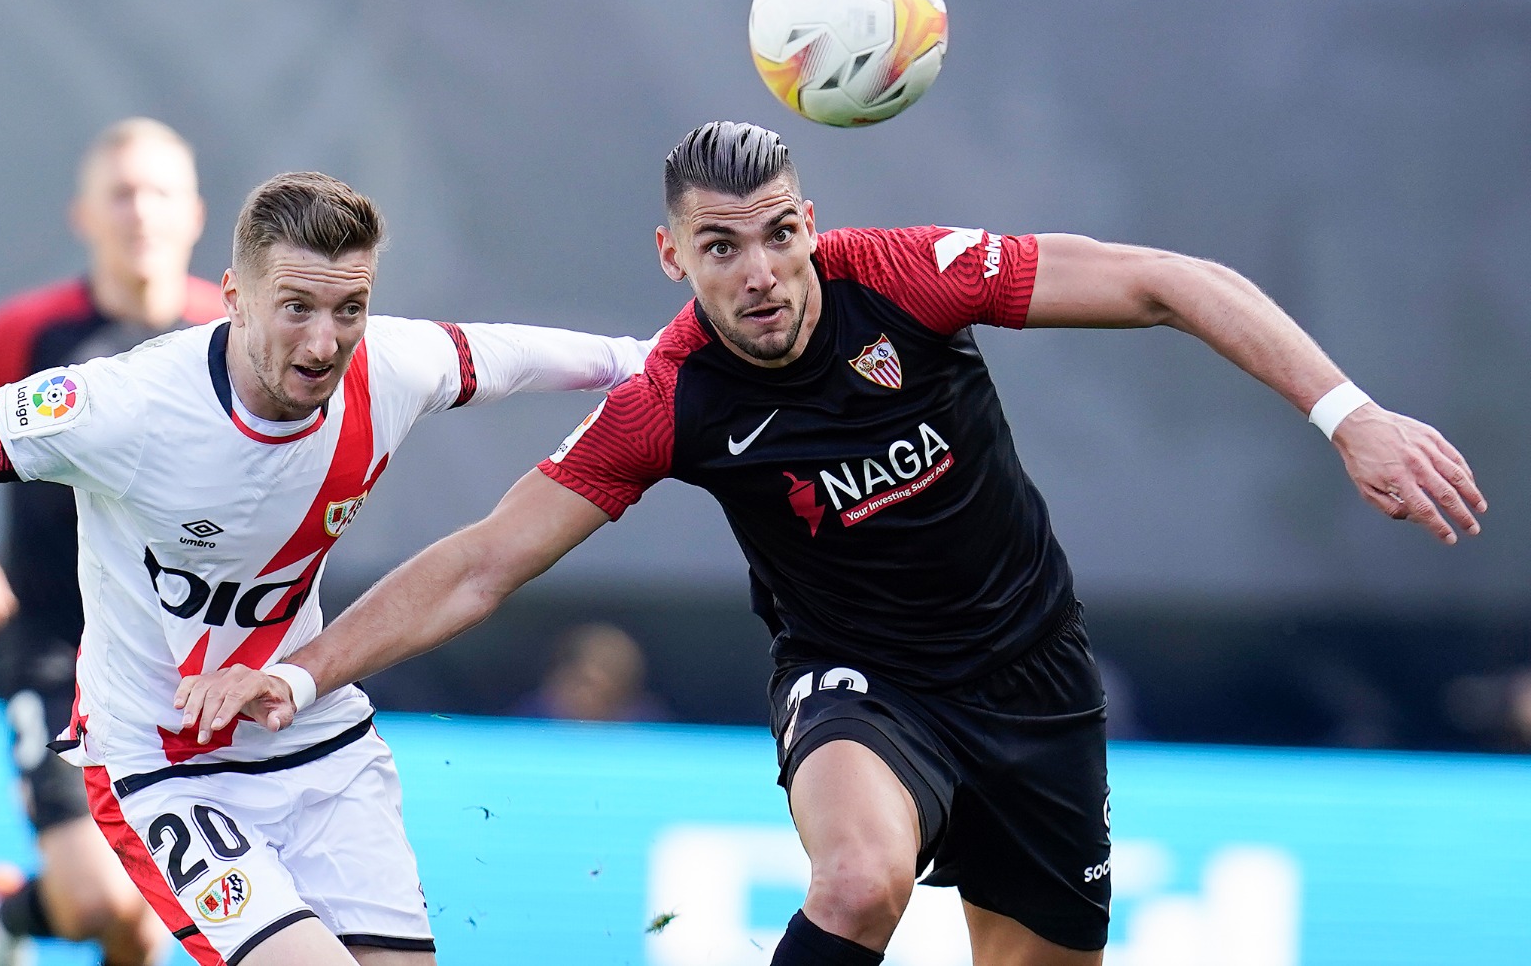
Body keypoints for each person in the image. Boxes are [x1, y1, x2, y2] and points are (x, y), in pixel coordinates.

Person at [175, 122, 1485, 966]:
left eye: (782, 234)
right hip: (861, 683)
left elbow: (1166, 281)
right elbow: (481, 559)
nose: (762, 272)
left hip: (1037, 688)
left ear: (812, 223)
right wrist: (297, 673)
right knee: (858, 878)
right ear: (673, 254)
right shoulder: (669, 397)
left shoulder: (908, 278)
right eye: (722, 247)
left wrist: (1347, 414)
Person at [0, 169, 654, 966]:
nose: (324, 343)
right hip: (166, 768)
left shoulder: (394, 366)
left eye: (350, 309)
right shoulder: (121, 405)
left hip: (314, 743)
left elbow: (528, 357)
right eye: (296, 307)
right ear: (234, 295)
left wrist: (658, 357)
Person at [0, 117, 218, 966]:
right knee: (99, 898)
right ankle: (9, 916)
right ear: (83, 216)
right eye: (121, 194)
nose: (141, 212)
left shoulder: (228, 338)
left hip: (185, 667)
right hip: (60, 653)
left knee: (147, 919)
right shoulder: (29, 332)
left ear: (195, 213)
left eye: (159, 192)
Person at [508, 621, 671, 722]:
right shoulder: (525, 723)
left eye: (607, 695)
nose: (590, 699)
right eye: (584, 684)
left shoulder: (650, 731)